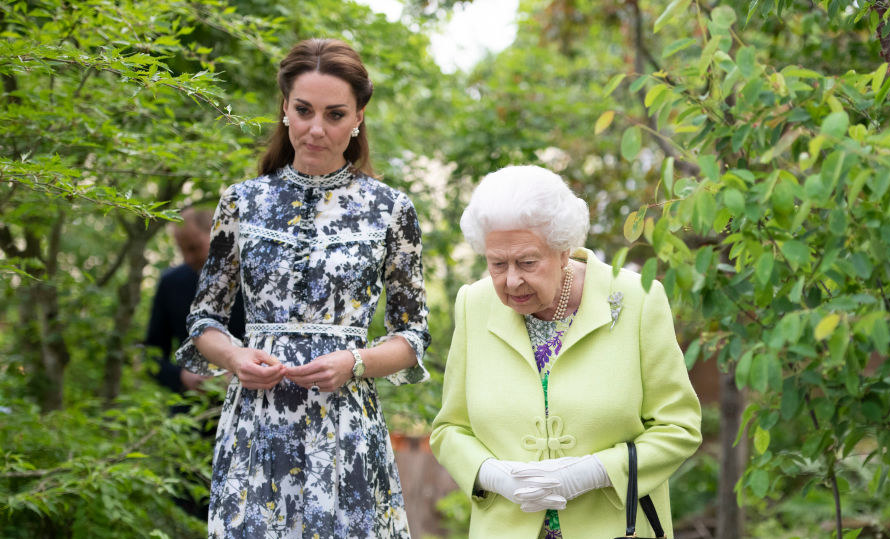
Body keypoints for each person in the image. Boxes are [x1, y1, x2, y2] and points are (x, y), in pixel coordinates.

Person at [175, 38, 431, 538]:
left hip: (347, 431)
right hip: (257, 428)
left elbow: (412, 336)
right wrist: (234, 358)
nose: (317, 129)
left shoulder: (390, 210)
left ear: (358, 116)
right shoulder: (241, 203)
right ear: (284, 109)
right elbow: (203, 321)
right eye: (304, 110)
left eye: (335, 115)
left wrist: (355, 362)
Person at [429, 165, 702, 538]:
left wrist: (594, 472)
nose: (511, 280)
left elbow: (678, 427)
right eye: (497, 264)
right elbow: (450, 429)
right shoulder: (472, 304)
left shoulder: (638, 299)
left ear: (563, 250)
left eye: (527, 262)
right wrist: (493, 475)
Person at [145, 207, 244, 398]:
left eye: (194, 248)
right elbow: (152, 354)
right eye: (182, 250)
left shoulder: (254, 279)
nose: (188, 258)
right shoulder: (171, 284)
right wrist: (182, 377)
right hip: (190, 411)